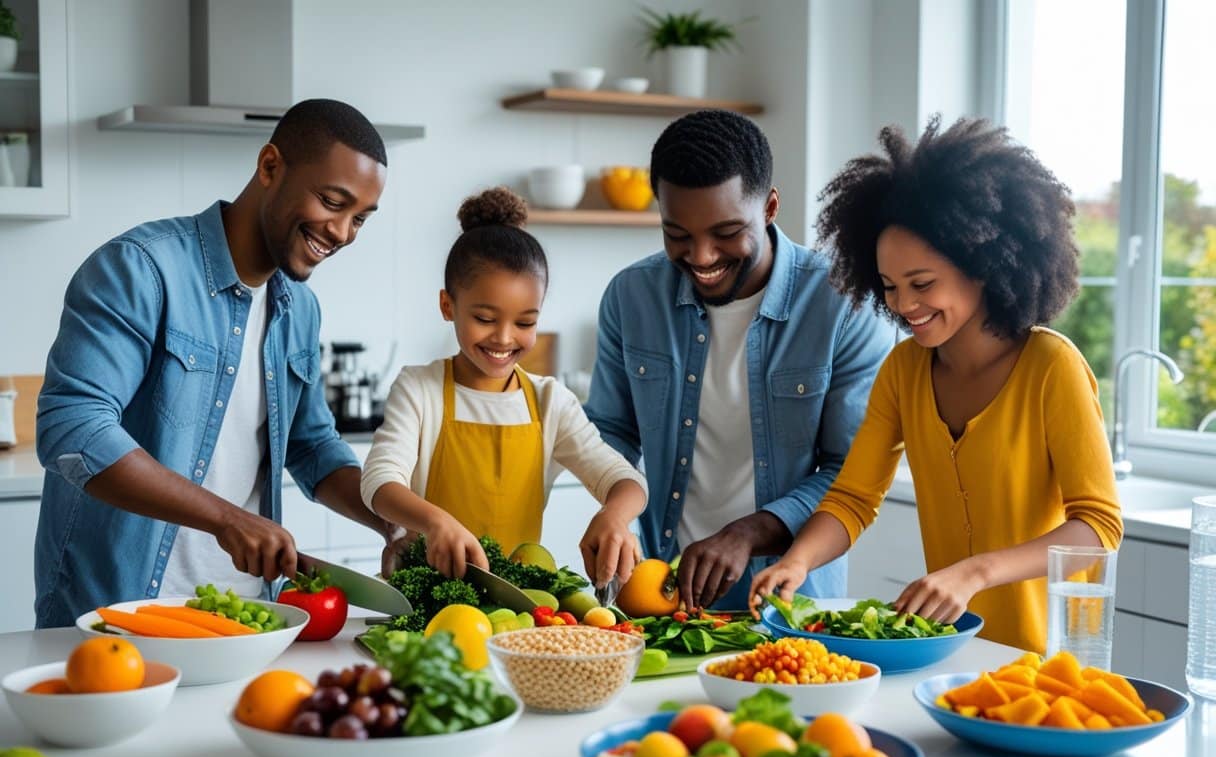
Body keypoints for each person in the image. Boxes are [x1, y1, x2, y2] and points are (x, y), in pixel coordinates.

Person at [749, 116, 1123, 653]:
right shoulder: (903, 371)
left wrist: (974, 573)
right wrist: (797, 561)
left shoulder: (1051, 367)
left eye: (922, 284)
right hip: (957, 653)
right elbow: (854, 498)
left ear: (984, 265)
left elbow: (1100, 528)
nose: (902, 306)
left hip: (1051, 661)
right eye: (889, 288)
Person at [34, 99, 396, 628]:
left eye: (359, 218)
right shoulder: (141, 269)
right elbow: (71, 429)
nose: (342, 233)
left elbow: (312, 446)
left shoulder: (300, 308)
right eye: (331, 201)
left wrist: (393, 524)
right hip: (121, 613)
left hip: (249, 616)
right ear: (270, 166)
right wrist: (226, 519)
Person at [584, 109, 895, 612]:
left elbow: (851, 473)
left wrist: (747, 534)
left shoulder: (843, 302)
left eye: (726, 232)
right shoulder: (630, 297)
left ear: (770, 206)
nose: (702, 256)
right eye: (677, 234)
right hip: (660, 597)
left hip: (790, 606)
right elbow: (609, 432)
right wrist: (615, 510)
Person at [360, 187, 648, 586]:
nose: (504, 337)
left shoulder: (551, 402)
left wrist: (614, 515)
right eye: (485, 317)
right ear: (448, 305)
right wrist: (436, 522)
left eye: (525, 322)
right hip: (424, 596)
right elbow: (379, 482)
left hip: (517, 603)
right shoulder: (419, 388)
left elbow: (624, 479)